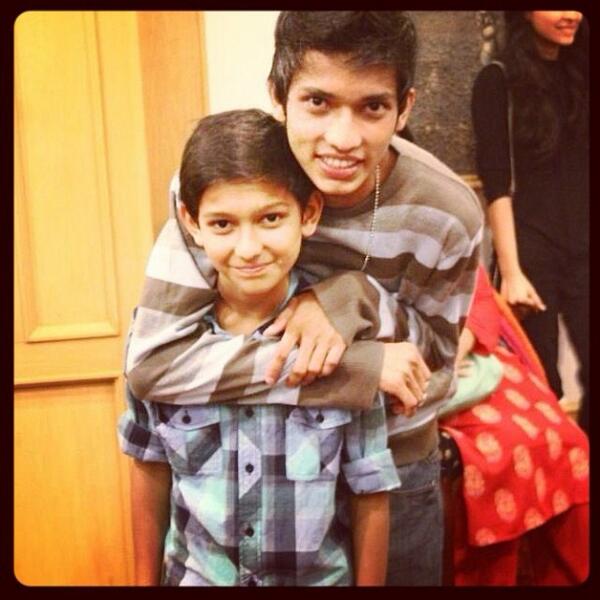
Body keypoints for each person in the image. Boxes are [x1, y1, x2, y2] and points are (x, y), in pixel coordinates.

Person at [125, 12, 484, 586]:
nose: (343, 138)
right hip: (242, 463)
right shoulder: (224, 186)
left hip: (390, 470)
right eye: (318, 102)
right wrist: (356, 367)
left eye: (372, 107)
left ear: (405, 108)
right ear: (278, 95)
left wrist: (354, 297)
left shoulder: (448, 213)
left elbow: (433, 364)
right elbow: (155, 363)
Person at [118, 109, 400, 586]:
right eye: (222, 224)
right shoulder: (160, 344)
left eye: (270, 218)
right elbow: (149, 467)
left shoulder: (340, 339)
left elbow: (369, 486)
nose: (248, 248)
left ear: (308, 214)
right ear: (190, 222)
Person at [471, 11, 589, 432]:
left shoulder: (581, 75)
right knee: (542, 385)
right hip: (530, 253)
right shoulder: (498, 80)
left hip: (584, 248)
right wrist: (512, 272)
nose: (571, 13)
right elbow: (496, 182)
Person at [439, 265, 589, 585]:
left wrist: (458, 348)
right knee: (496, 460)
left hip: (470, 356)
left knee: (567, 440)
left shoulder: (457, 235)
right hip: (415, 367)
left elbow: (479, 292)